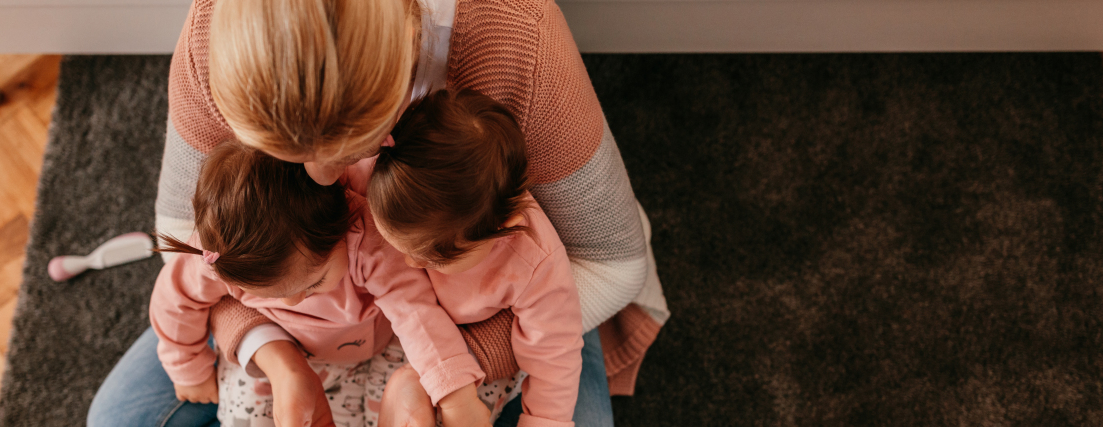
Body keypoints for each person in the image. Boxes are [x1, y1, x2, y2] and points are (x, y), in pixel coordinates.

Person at [88, 0, 668, 424]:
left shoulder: (519, 42)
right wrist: (268, 343)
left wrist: (450, 370)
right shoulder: (213, 33)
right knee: (116, 419)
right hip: (313, 300)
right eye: (283, 154)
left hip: (498, 292)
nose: (323, 179)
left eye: (348, 152)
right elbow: (187, 245)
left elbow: (611, 265)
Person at [148, 140, 514, 427]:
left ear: (342, 224)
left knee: (418, 411)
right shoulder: (217, 257)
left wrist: (455, 396)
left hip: (389, 344)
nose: (294, 304)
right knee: (247, 414)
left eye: (314, 283)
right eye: (272, 294)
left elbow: (416, 315)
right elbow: (173, 299)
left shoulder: (367, 237)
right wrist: (187, 367)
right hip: (290, 347)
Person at [371, 89, 583, 427]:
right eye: (400, 247)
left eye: (434, 257)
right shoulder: (388, 180)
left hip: (470, 350)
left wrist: (543, 420)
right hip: (395, 332)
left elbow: (555, 355)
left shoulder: (534, 261)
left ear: (505, 229)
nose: (411, 263)